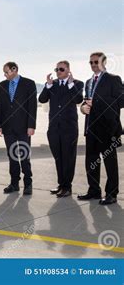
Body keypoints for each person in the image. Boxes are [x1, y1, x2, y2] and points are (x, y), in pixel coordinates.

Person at [78, 52, 122, 205]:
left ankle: (112, 193)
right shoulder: (88, 82)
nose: (93, 65)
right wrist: (83, 108)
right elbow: (86, 103)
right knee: (91, 161)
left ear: (104, 62)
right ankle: (94, 191)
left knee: (110, 163)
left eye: (96, 62)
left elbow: (121, 101)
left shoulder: (113, 80)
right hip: (91, 129)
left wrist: (96, 103)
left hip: (108, 128)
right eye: (90, 62)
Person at [38, 61, 84, 198]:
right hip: (53, 129)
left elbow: (78, 99)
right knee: (58, 157)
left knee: (68, 158)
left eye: (61, 69)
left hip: (69, 128)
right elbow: (42, 99)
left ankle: (67, 187)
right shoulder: (53, 84)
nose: (58, 71)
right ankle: (61, 185)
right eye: (56, 69)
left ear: (68, 70)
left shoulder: (77, 84)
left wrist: (70, 84)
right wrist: (48, 85)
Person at [0, 62, 37, 195]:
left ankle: (28, 184)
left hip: (24, 127)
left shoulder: (29, 84)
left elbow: (32, 106)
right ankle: (14, 184)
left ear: (14, 70)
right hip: (8, 128)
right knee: (12, 156)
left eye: (6, 72)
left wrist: (31, 125)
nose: (5, 74)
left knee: (24, 155)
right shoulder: (1, 86)